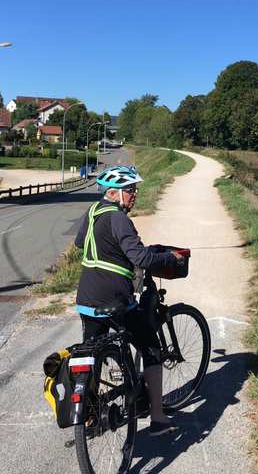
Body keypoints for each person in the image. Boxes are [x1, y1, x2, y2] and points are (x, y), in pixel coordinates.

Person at [74, 165, 183, 436]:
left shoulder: (93, 211)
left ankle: (88, 417)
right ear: (114, 193)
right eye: (130, 190)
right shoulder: (119, 218)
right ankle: (157, 417)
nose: (135, 195)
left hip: (86, 298)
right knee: (151, 347)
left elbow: (80, 243)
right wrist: (170, 258)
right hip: (115, 298)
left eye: (135, 189)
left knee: (91, 354)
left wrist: (112, 253)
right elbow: (142, 259)